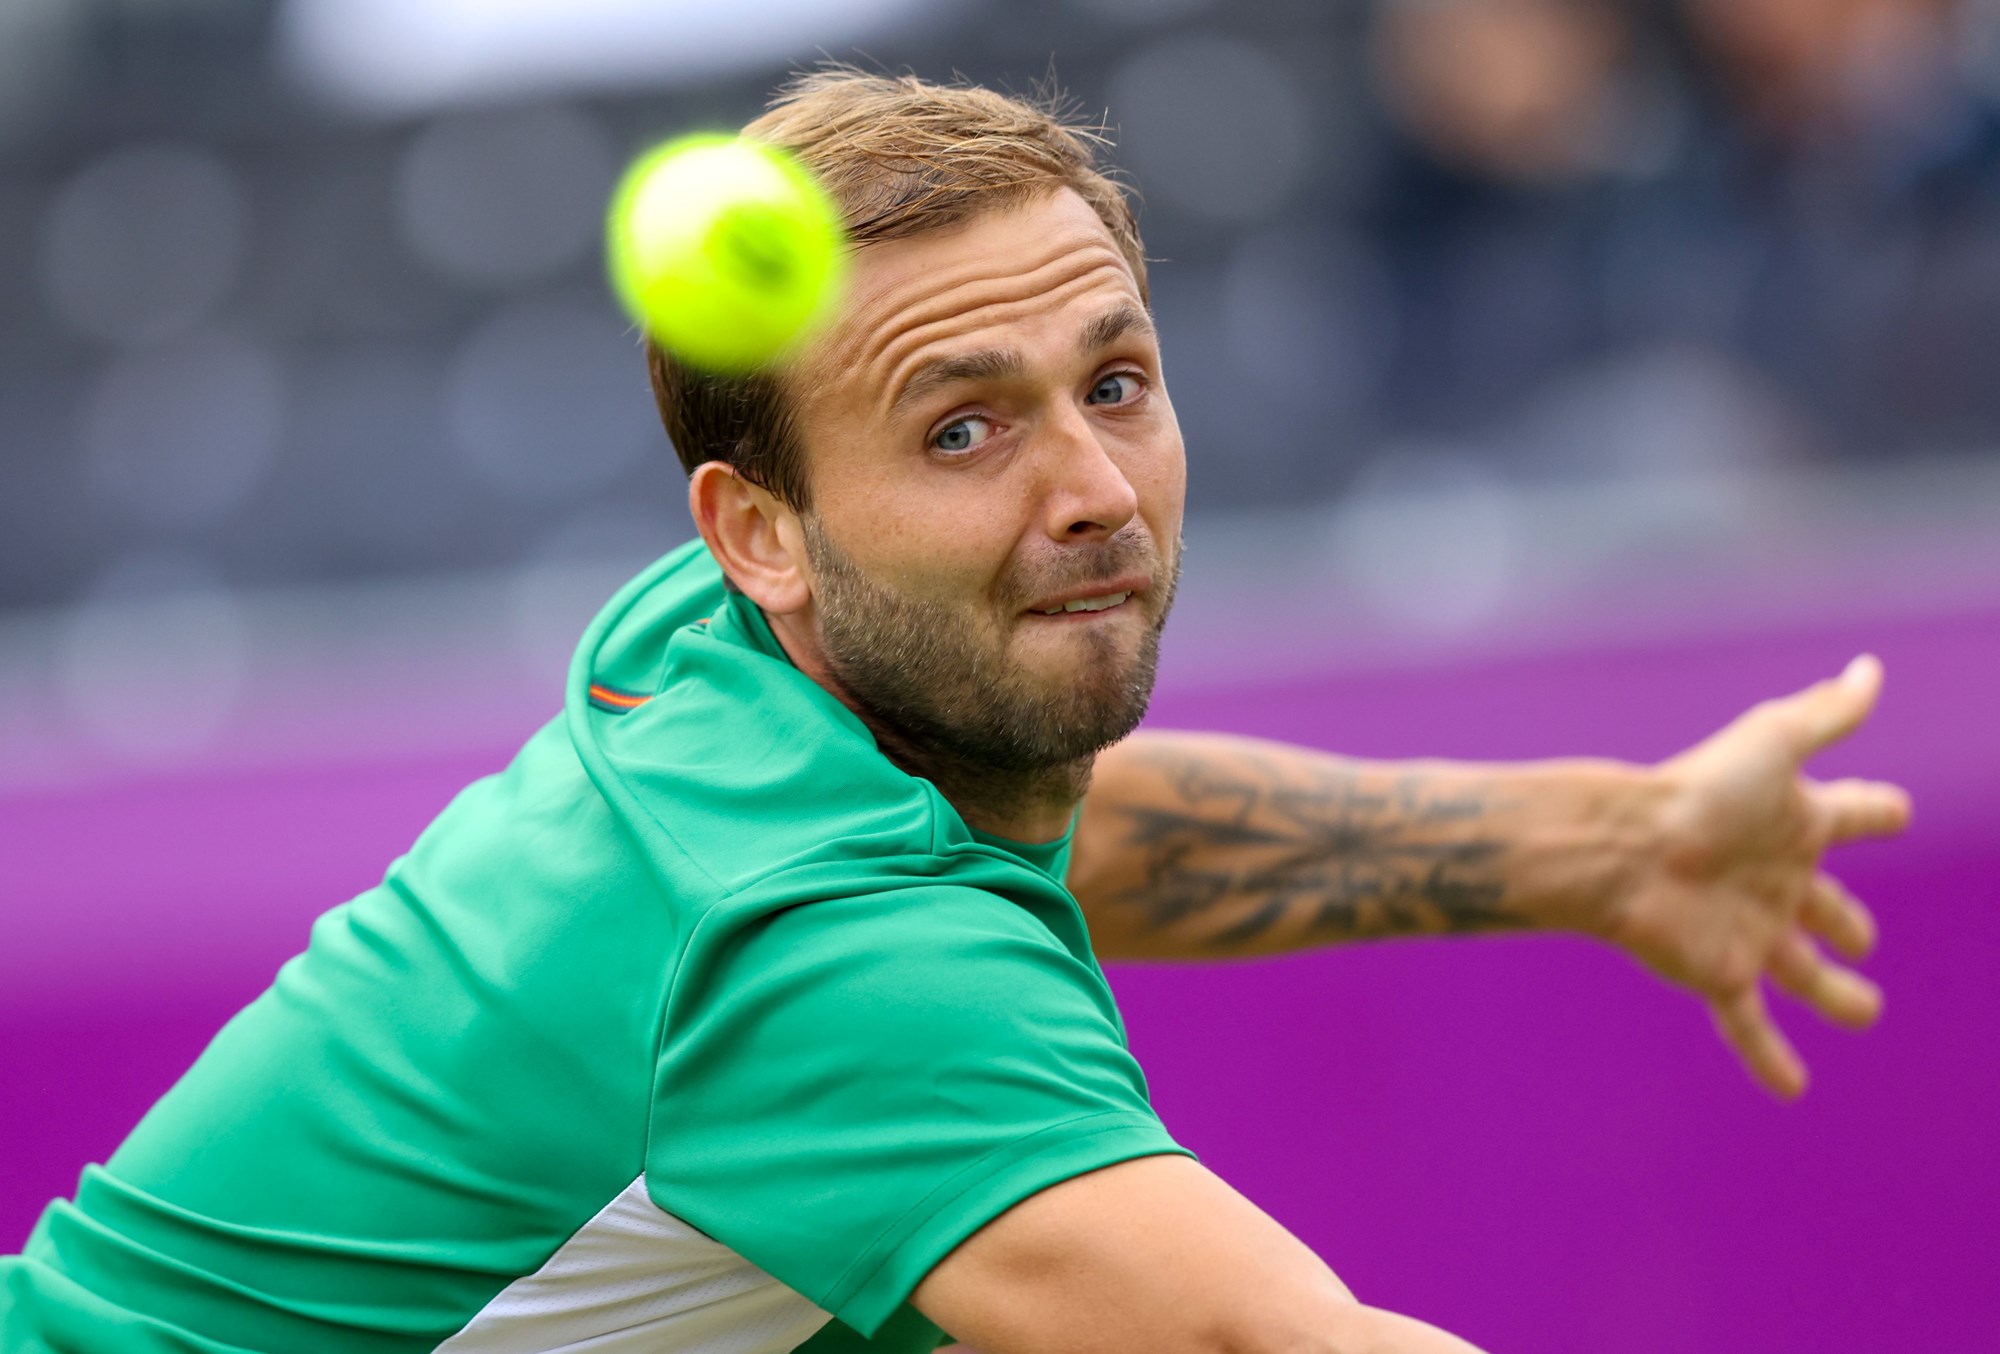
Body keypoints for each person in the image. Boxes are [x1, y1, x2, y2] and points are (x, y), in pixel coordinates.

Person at [1, 70, 1909, 1354]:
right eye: (965, 427)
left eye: (1121, 378)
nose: (1091, 486)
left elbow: (1075, 828)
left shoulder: (748, 671)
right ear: (763, 532)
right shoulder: (817, 963)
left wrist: (1610, 839)